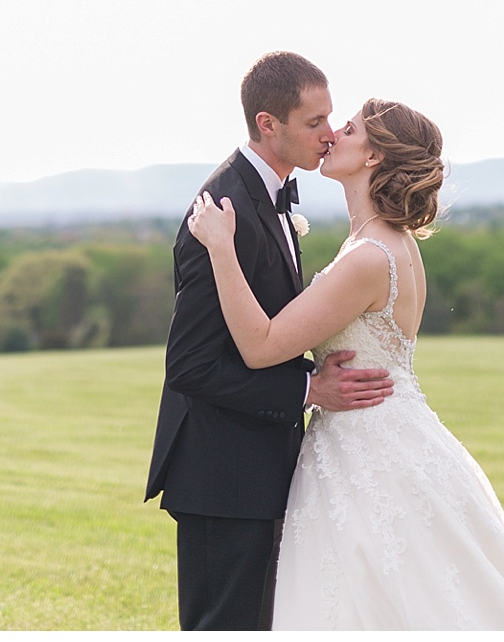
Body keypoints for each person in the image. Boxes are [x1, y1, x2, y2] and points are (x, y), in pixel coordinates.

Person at [187, 97, 504, 630]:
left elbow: (261, 345)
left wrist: (221, 249)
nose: (332, 134)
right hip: (393, 435)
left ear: (373, 157)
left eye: (347, 128)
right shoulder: (394, 244)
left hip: (365, 452)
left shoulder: (368, 257)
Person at [145, 51, 394, 630]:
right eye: (314, 123)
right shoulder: (222, 211)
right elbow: (191, 365)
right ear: (267, 124)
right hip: (223, 475)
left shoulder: (274, 198)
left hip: (263, 466)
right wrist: (309, 388)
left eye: (331, 119)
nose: (329, 135)